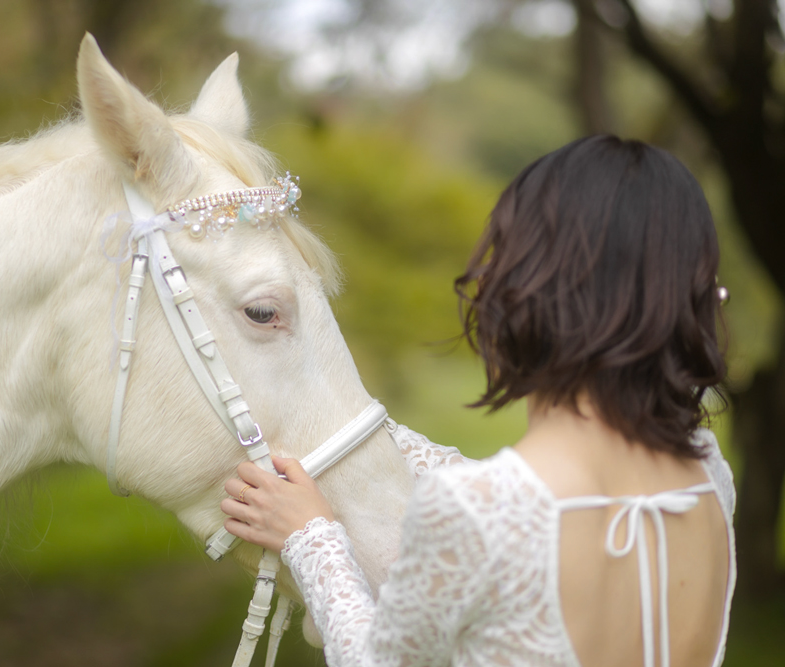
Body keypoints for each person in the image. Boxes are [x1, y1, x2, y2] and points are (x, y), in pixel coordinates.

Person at [221, 135, 735, 667]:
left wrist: (311, 539)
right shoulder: (708, 474)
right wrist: (366, 427)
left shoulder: (474, 509)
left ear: (530, 287)